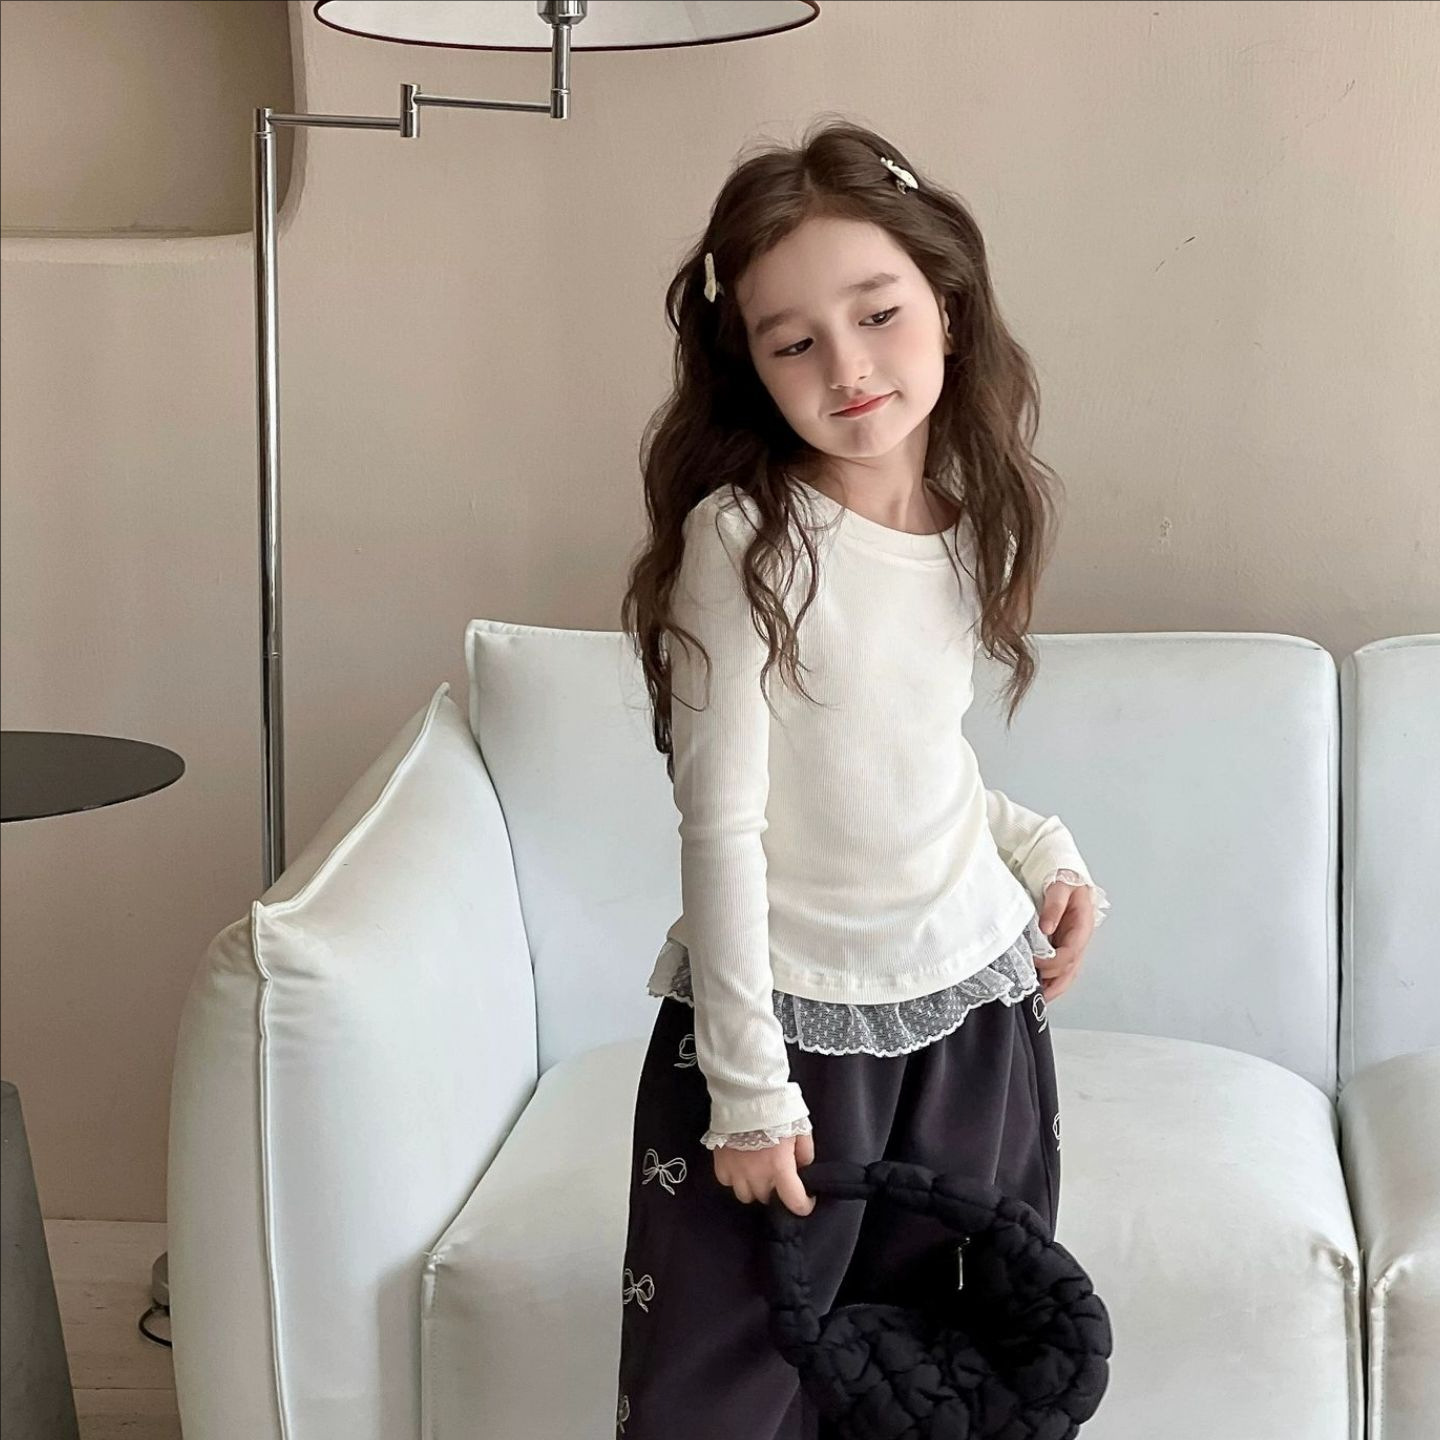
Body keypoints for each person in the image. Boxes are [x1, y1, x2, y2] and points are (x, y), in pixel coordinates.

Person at [614, 117, 1111, 1440]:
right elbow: (723, 829)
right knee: (723, 1399)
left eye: (878, 313)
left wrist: (1041, 853)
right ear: (751, 365)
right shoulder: (747, 542)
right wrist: (747, 1089)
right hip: (788, 1042)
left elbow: (912, 766)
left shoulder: (969, 520)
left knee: (945, 1394)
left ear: (948, 305)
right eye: (793, 342)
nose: (846, 366)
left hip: (975, 1023)